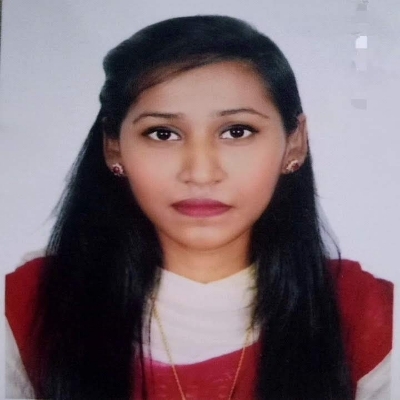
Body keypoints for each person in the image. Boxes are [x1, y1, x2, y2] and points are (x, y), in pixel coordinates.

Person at [5, 15, 393, 400]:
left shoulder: (366, 314)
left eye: (237, 131)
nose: (201, 173)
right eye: (163, 134)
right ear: (114, 147)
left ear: (295, 143)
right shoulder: (26, 306)